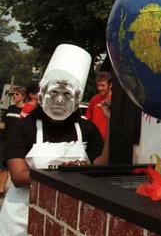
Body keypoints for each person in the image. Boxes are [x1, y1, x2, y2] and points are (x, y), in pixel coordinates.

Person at [0, 44, 107, 235]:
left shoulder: (86, 128)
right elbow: (18, 177)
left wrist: (113, 126)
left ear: (77, 99)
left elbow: (99, 165)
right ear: (42, 95)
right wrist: (68, 172)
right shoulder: (25, 127)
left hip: (67, 220)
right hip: (22, 219)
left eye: (67, 94)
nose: (59, 100)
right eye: (54, 92)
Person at [85, 71, 112, 139]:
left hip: (108, 140)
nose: (99, 88)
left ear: (110, 85)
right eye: (98, 85)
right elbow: (88, 119)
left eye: (103, 85)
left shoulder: (116, 100)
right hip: (93, 139)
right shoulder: (94, 99)